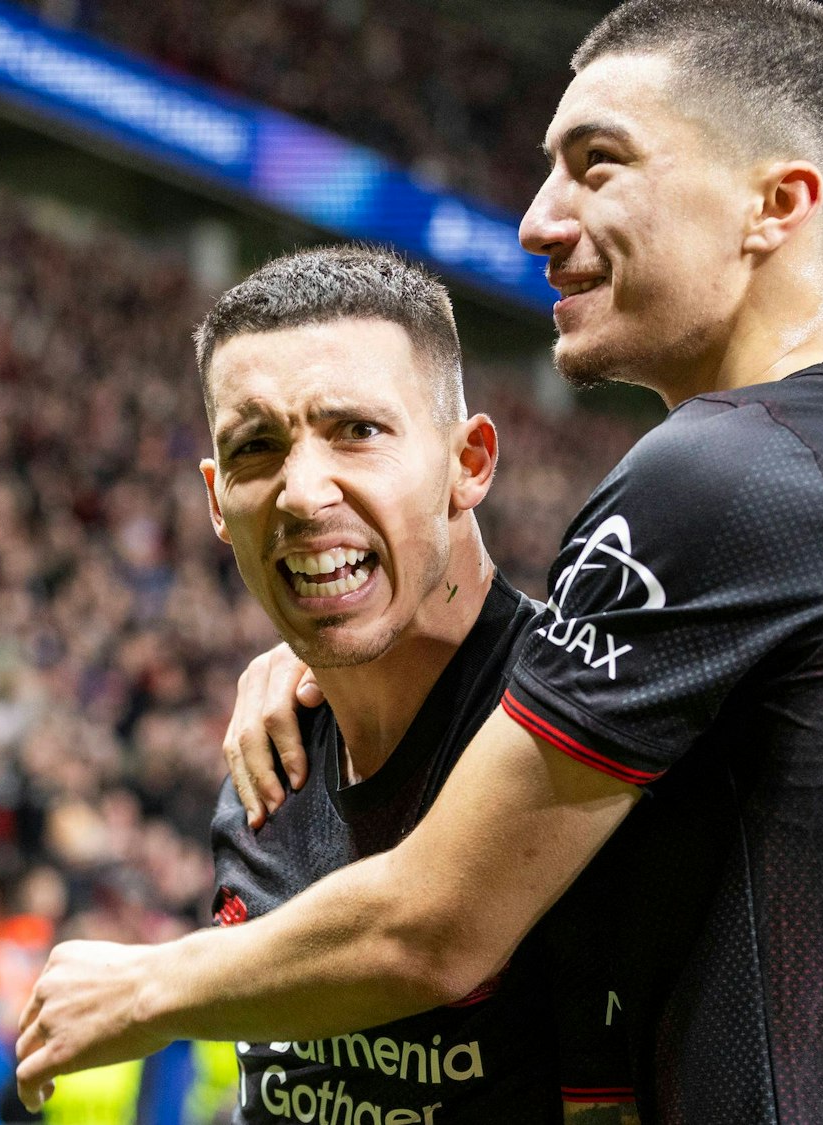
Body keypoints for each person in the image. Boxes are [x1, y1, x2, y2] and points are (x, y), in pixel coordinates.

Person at [14, 1, 823, 1121]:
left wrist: (140, 985)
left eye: (597, 165)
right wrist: (336, 656)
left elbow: (436, 926)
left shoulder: (727, 467)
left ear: (775, 204)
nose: (535, 221)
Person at [187, 245, 651, 1123]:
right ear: (217, 500)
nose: (302, 493)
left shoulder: (594, 734)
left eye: (358, 431)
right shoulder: (266, 773)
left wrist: (142, 988)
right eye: (256, 447)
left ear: (468, 462)